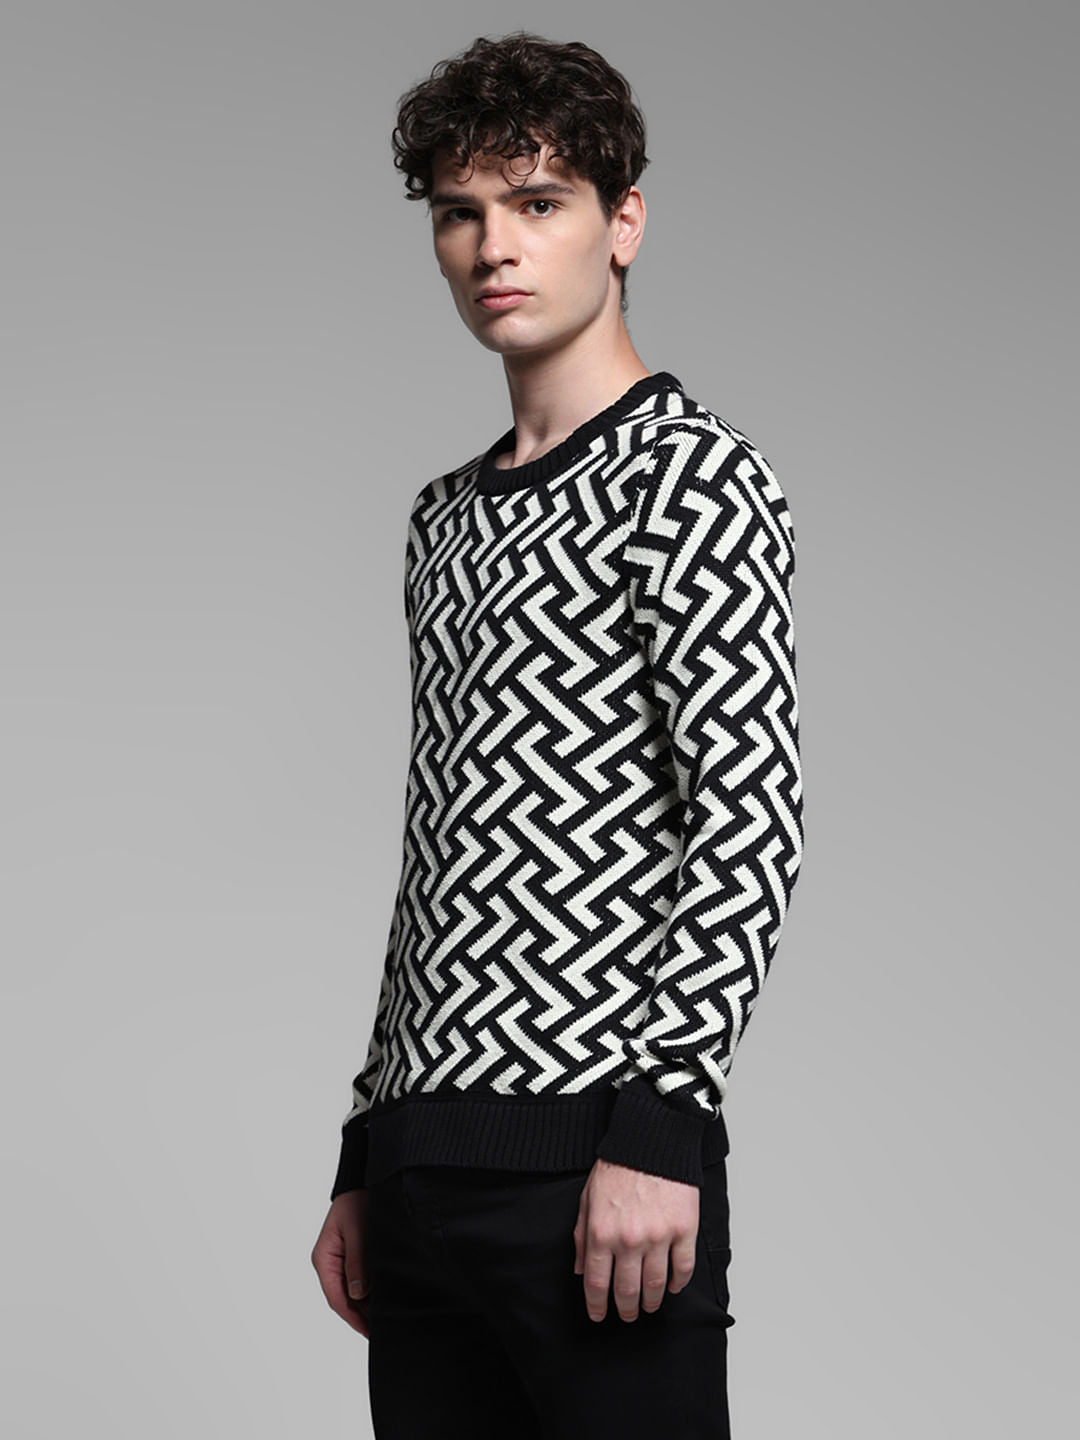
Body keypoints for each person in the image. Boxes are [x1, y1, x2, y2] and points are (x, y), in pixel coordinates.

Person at [311, 30, 804, 1439]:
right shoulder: (444, 517)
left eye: (537, 203)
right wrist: (366, 1143)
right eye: (459, 212)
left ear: (622, 221)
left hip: (597, 1167)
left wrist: (662, 1125)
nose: (493, 248)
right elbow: (445, 846)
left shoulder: (691, 477)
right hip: (420, 1170)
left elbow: (749, 818)